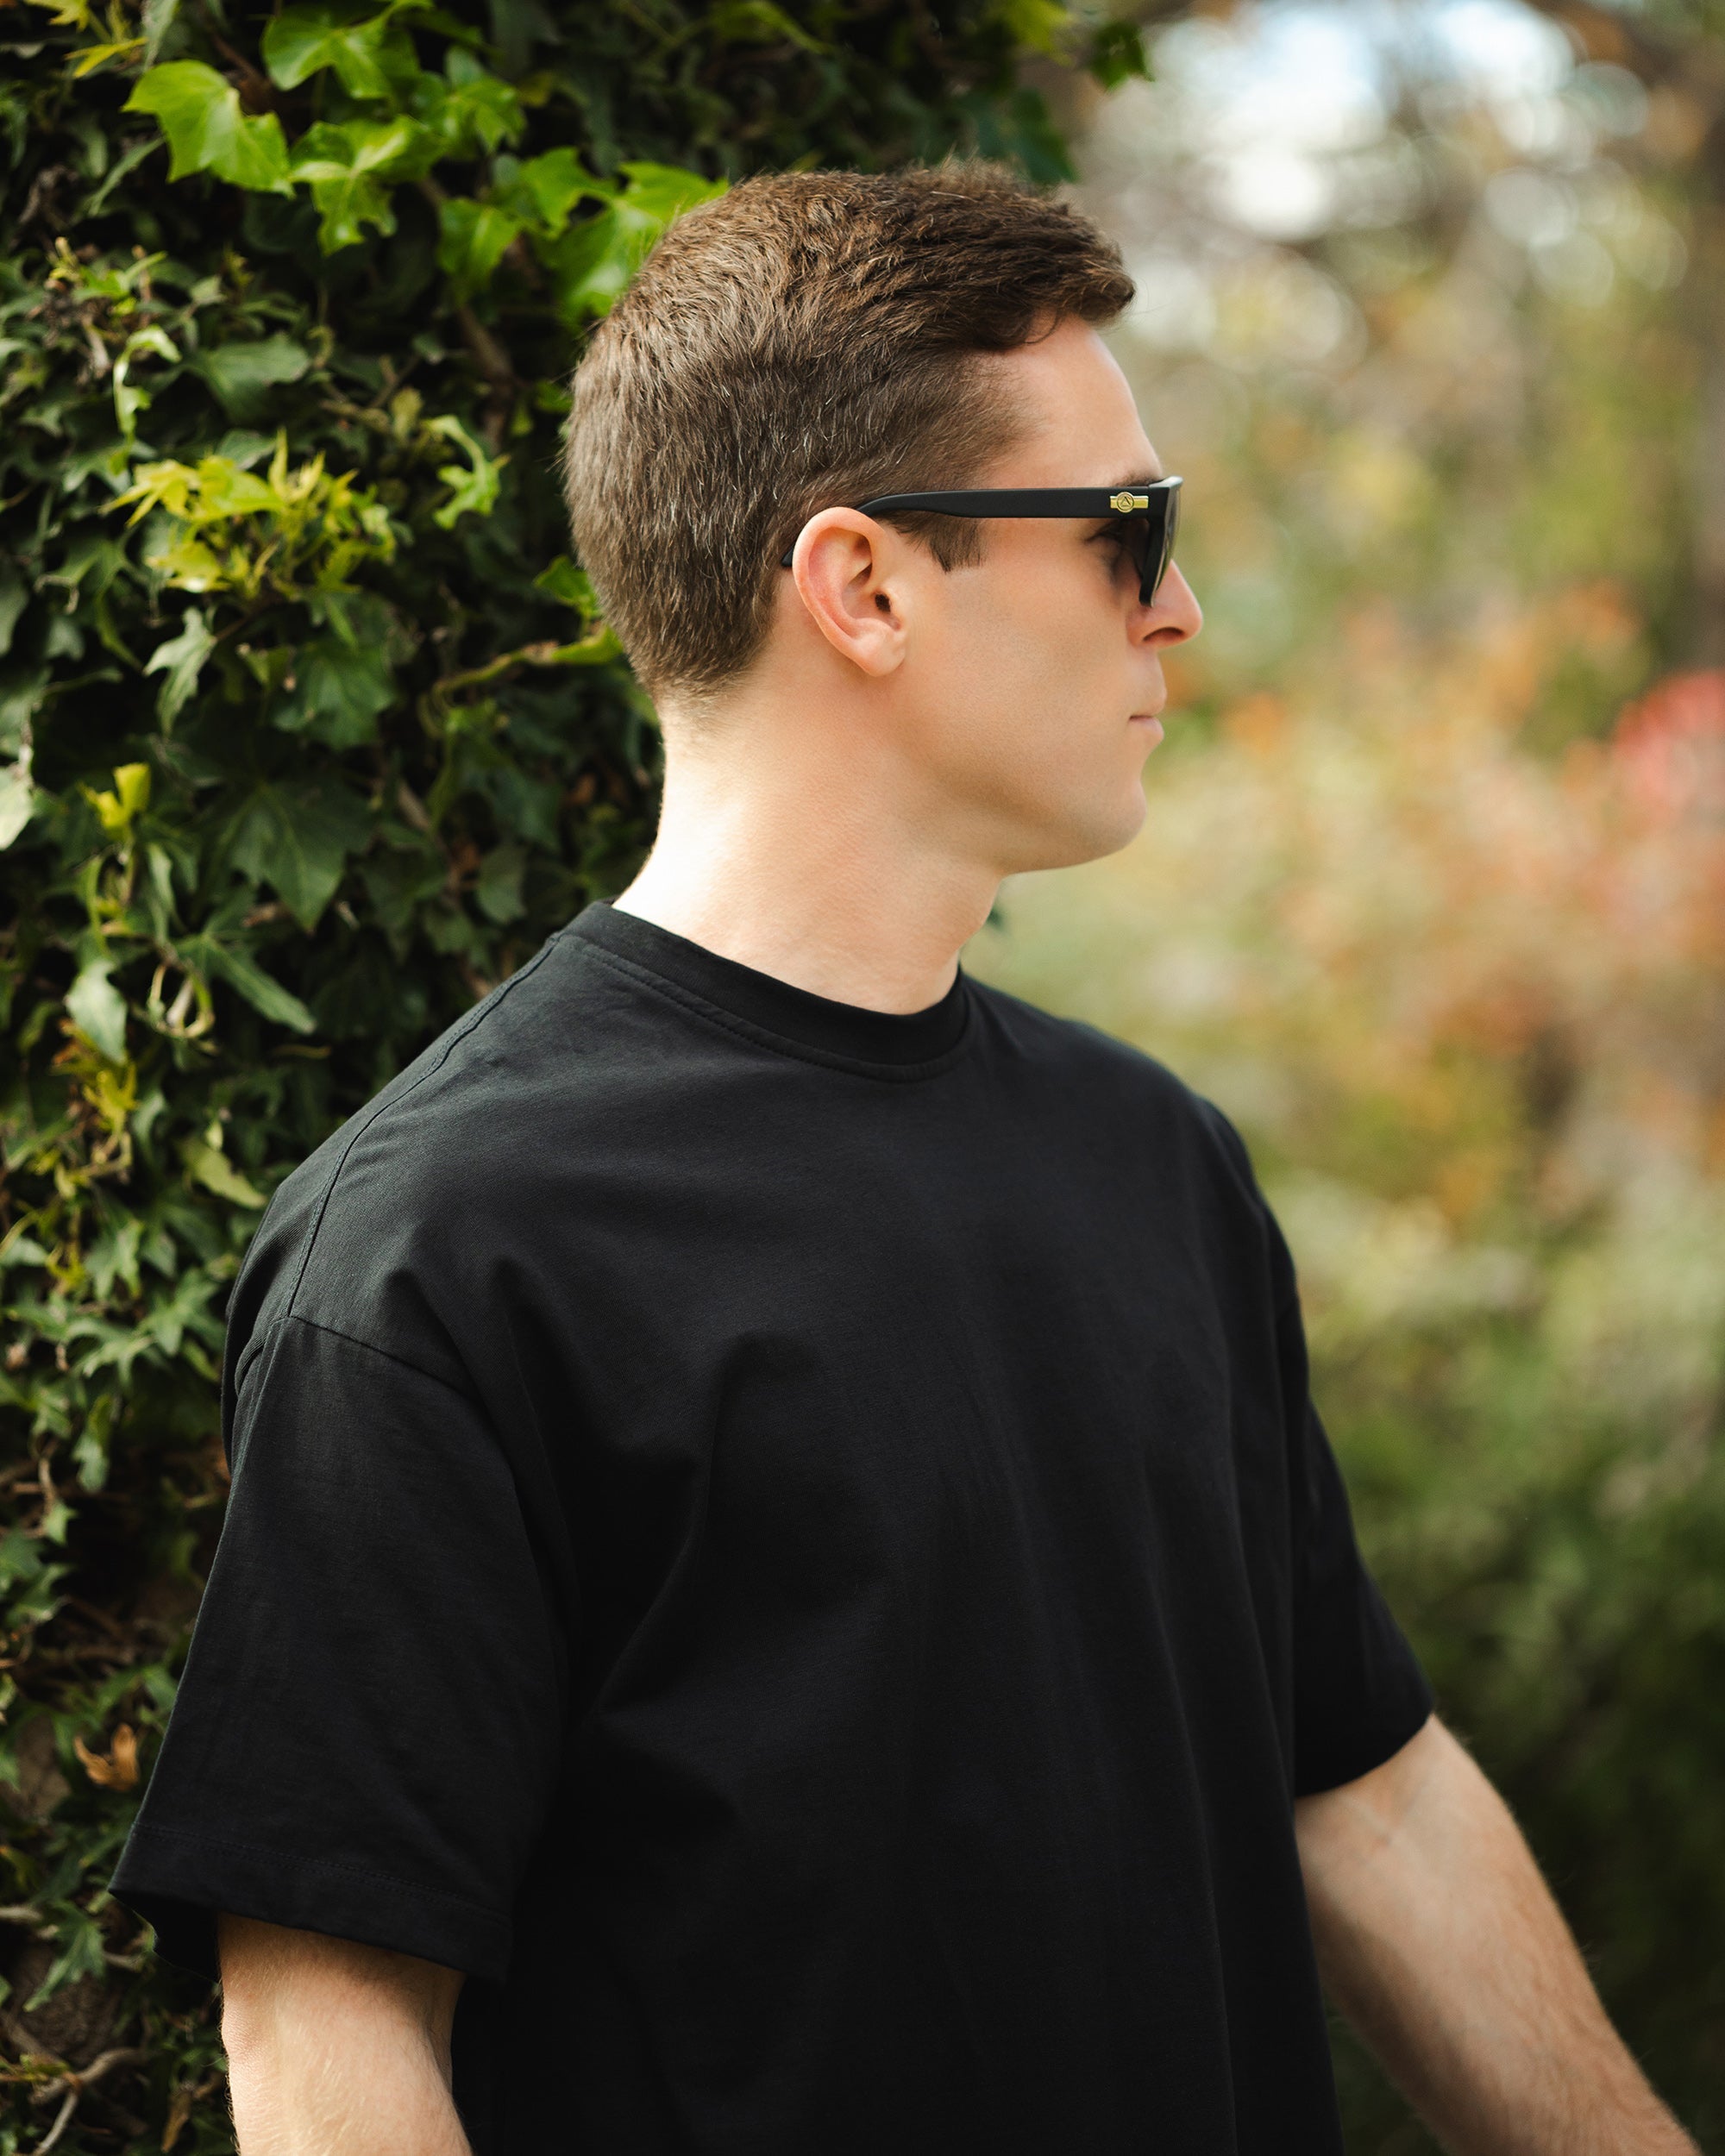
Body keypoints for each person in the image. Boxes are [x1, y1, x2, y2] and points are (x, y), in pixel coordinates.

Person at [111, 164, 1697, 2156]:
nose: (1180, 605)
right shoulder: (437, 1250)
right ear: (861, 585)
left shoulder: (1155, 1161)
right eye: (1125, 531)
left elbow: (1364, 1794)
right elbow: (328, 2029)